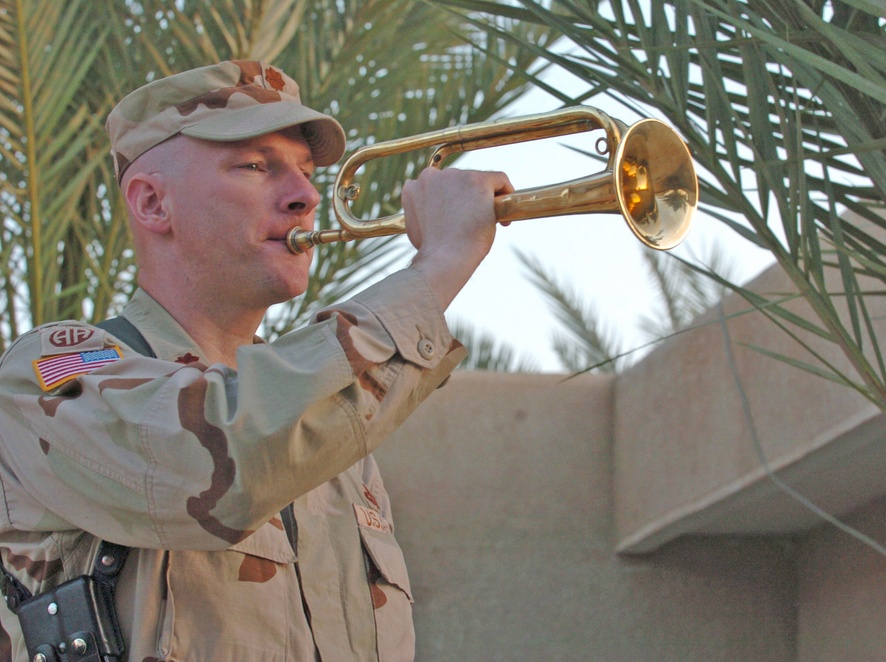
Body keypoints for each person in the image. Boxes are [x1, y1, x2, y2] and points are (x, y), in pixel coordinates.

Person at [0, 60, 512, 660]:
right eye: (254, 166)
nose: (306, 195)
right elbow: (228, 453)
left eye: (303, 169)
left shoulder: (328, 423)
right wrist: (438, 266)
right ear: (152, 203)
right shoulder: (47, 374)